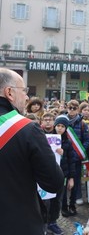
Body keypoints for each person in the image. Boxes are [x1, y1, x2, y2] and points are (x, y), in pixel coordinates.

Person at [0, 68, 64, 234]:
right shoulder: (26, 128)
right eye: (24, 91)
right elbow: (53, 182)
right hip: (17, 223)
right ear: (9, 93)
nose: (27, 97)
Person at [66, 99, 89, 209]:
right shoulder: (62, 121)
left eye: (74, 108)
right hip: (64, 155)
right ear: (67, 108)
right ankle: (64, 199)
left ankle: (77, 196)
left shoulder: (83, 124)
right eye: (70, 108)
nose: (72, 110)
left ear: (77, 110)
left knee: (76, 177)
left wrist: (80, 153)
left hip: (76, 156)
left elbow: (86, 140)